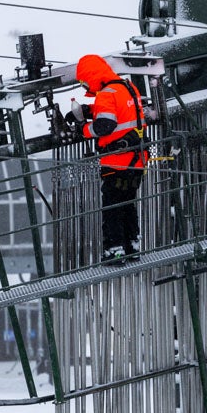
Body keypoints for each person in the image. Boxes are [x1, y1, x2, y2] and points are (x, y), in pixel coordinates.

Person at [72, 54, 146, 264]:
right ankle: (132, 246)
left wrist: (83, 130)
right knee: (128, 203)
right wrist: (90, 110)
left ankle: (114, 251)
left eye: (83, 81)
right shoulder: (127, 87)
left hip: (117, 161)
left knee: (112, 207)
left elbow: (105, 126)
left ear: (92, 76)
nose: (84, 85)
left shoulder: (105, 94)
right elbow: (120, 113)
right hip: (137, 160)